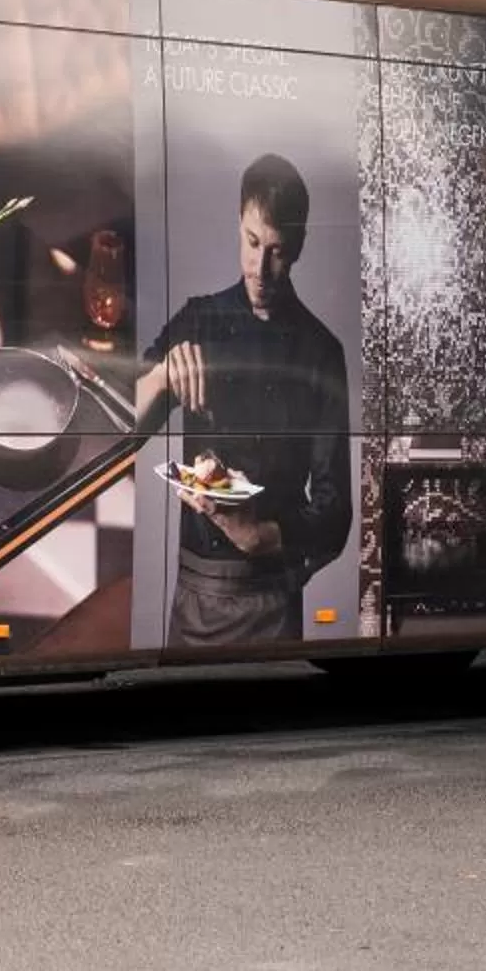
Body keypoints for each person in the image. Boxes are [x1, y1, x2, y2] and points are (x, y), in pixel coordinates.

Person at [135, 153, 351, 646]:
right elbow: (127, 430)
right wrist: (161, 376)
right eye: (252, 243)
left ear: (297, 247)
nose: (260, 268)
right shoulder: (199, 319)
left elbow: (335, 510)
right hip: (196, 593)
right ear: (239, 224)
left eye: (276, 251)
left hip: (273, 600)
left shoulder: (320, 351)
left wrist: (259, 536)